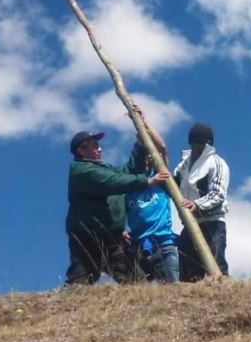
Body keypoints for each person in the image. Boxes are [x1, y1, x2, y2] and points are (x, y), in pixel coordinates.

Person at [65, 130, 169, 286]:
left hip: (111, 237)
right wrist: (147, 182)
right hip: (88, 239)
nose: (99, 149)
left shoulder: (103, 169)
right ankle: (66, 297)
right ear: (81, 151)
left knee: (134, 280)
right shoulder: (80, 170)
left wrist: (140, 146)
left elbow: (127, 172)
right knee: (80, 282)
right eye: (95, 146)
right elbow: (113, 181)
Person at [124, 108, 180, 283]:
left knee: (173, 290)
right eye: (143, 160)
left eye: (149, 159)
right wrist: (121, 230)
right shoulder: (128, 185)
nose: (146, 163)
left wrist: (143, 122)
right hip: (138, 246)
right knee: (139, 294)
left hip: (163, 244)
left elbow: (162, 148)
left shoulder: (160, 178)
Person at [173, 122, 230, 281]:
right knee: (187, 269)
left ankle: (223, 290)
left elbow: (218, 194)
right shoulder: (183, 165)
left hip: (212, 222)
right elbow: (173, 185)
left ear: (208, 145)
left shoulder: (217, 163)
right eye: (194, 143)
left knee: (216, 264)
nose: (196, 147)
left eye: (201, 144)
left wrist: (197, 204)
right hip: (190, 223)